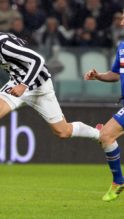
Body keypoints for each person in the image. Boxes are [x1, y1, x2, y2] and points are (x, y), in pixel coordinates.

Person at [0, 23, 99, 166]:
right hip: (16, 83)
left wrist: (24, 85)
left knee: (63, 131)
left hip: (40, 87)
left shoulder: (2, 45)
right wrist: (20, 83)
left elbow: (38, 60)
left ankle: (98, 133)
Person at [84, 10, 124, 202]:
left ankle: (118, 181)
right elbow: (116, 74)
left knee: (106, 135)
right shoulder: (122, 46)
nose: (121, 22)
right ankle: (118, 182)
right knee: (106, 136)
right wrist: (99, 76)